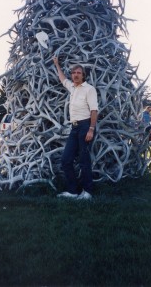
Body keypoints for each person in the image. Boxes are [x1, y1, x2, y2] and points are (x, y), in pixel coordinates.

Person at [53, 56, 98, 200]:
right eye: (73, 73)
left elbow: (94, 111)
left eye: (78, 72)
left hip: (85, 126)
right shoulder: (72, 87)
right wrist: (57, 64)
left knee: (84, 161)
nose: (75, 75)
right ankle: (73, 191)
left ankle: (88, 192)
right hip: (74, 128)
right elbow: (62, 79)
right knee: (66, 160)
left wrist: (91, 129)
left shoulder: (89, 89)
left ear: (83, 75)